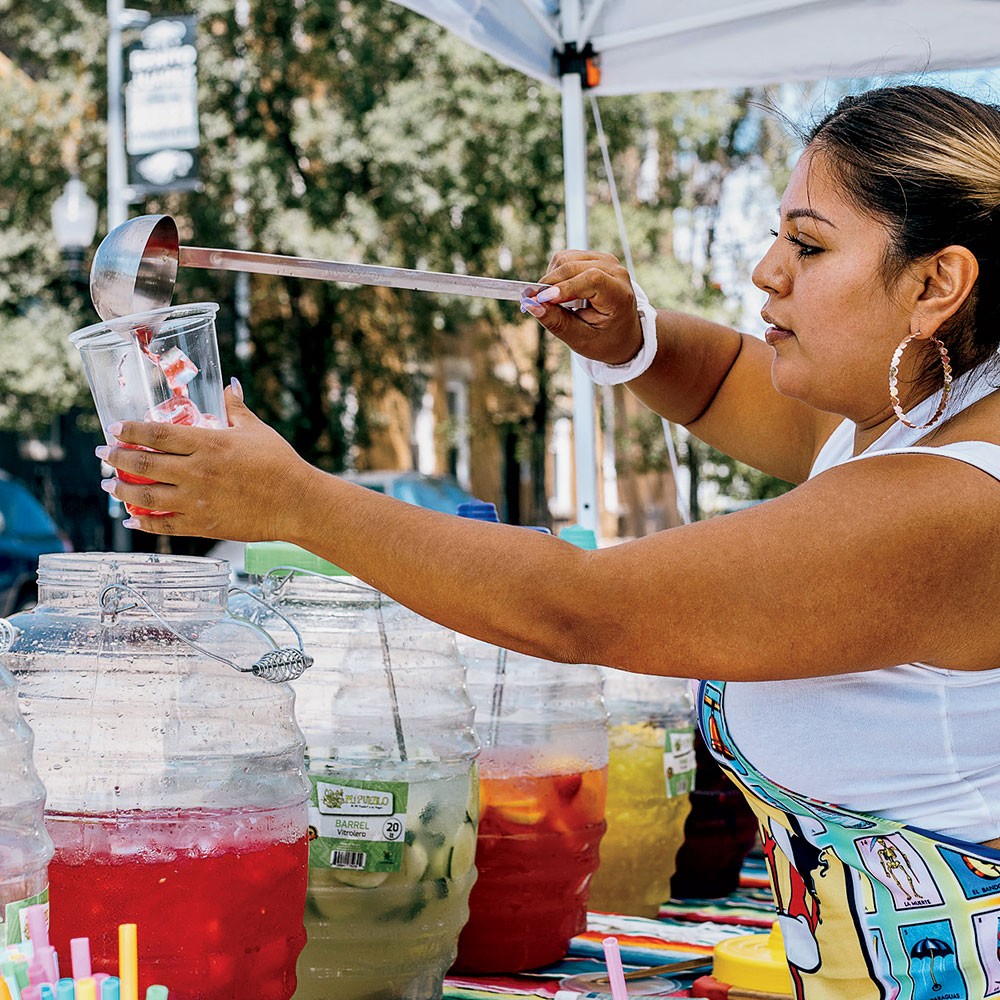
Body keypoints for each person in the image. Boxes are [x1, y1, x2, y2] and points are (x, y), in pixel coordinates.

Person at [96, 85, 1000, 999]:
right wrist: (634, 341)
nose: (768, 271)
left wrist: (297, 503)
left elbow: (581, 608)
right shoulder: (901, 417)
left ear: (935, 285)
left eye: (808, 245)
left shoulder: (949, 503)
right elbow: (727, 375)